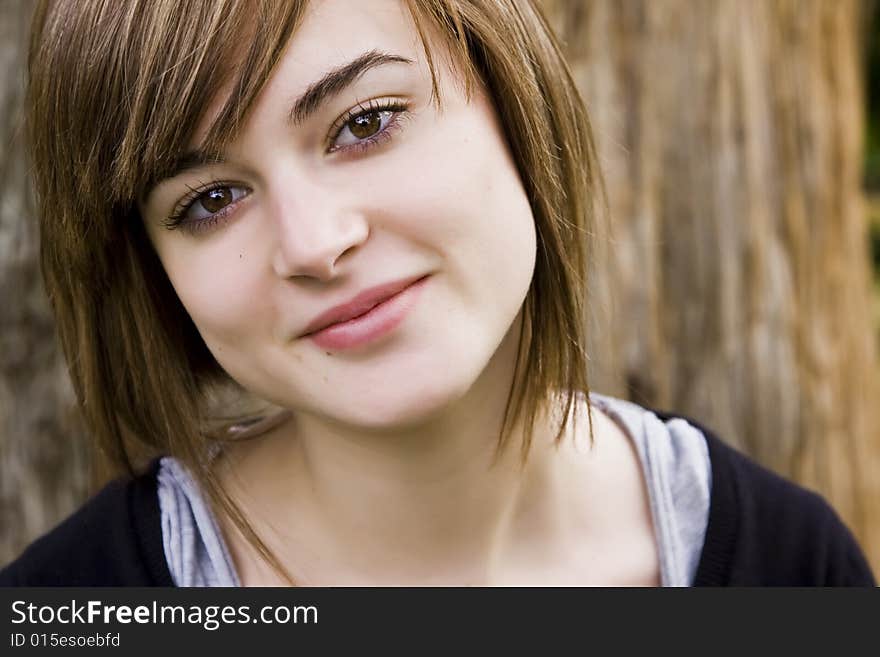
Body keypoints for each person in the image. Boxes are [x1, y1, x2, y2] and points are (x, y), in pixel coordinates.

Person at [1, 0, 874, 587]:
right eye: (210, 200)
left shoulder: (791, 568)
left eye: (364, 123)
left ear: (512, 94)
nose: (313, 243)